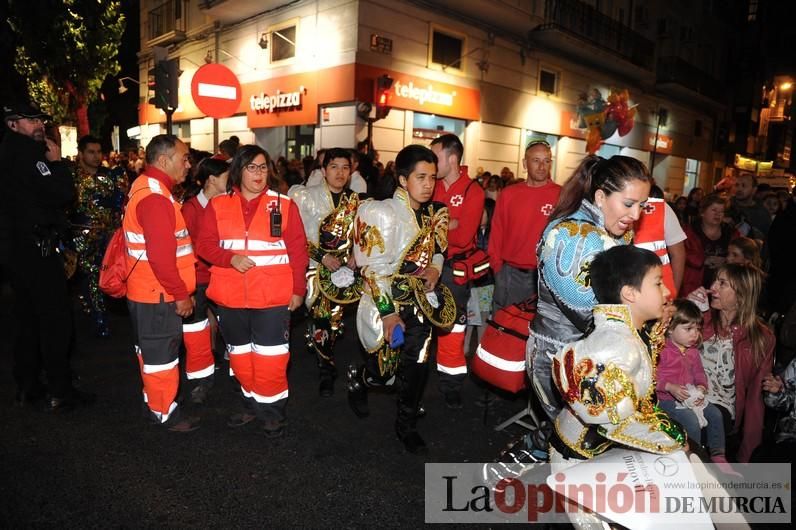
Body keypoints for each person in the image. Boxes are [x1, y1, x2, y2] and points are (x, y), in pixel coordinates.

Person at [549, 245, 684, 529]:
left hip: (600, 453)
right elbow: (611, 421)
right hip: (581, 463)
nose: (667, 291)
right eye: (658, 283)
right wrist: (673, 442)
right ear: (630, 294)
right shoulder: (616, 346)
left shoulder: (628, 332)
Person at [347, 144, 454, 454]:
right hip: (384, 304)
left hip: (420, 303)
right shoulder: (380, 213)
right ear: (403, 179)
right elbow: (372, 271)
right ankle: (361, 377)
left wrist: (435, 269)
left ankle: (406, 425)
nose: (428, 184)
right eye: (421, 177)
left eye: (433, 177)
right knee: (384, 373)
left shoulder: (435, 213)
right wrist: (388, 313)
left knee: (417, 367)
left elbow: (438, 249)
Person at [197, 145, 308, 438]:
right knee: (240, 356)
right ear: (238, 171)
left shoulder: (284, 205)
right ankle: (248, 404)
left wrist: (299, 289)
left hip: (272, 296)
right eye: (251, 167)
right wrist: (229, 258)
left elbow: (298, 251)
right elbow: (204, 245)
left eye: (263, 167)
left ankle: (271, 413)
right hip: (230, 296)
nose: (258, 174)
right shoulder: (218, 205)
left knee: (271, 358)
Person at [530, 155, 651, 421]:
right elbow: (590, 316)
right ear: (599, 197)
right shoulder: (572, 236)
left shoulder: (613, 230)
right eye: (629, 204)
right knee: (573, 442)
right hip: (560, 359)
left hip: (597, 357)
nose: (636, 215)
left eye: (642, 205)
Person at [0, 101, 95, 411]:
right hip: (36, 249)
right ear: (13, 124)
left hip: (17, 250)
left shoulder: (7, 152)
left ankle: (28, 386)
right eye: (30, 120)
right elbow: (62, 194)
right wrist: (56, 163)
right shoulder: (29, 153)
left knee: (26, 320)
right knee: (55, 320)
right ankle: (60, 389)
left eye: (39, 118)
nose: (38, 124)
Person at [123, 134, 198, 431]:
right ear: (164, 160)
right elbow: (162, 258)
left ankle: (154, 404)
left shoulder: (146, 187)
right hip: (159, 295)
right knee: (162, 358)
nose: (189, 165)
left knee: (151, 354)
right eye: (184, 158)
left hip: (146, 292)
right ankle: (164, 412)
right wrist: (181, 295)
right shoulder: (155, 198)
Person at [288, 148, 363, 397]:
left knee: (333, 320)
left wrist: (357, 254)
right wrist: (322, 257)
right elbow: (297, 235)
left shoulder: (356, 201)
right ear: (323, 170)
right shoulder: (306, 197)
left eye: (345, 167)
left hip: (343, 272)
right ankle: (326, 369)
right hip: (313, 268)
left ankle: (324, 353)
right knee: (322, 317)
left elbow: (362, 236)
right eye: (334, 167)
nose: (340, 173)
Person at [687, 263, 775, 462]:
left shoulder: (762, 338)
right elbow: (669, 353)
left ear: (741, 294)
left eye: (722, 283)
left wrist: (746, 458)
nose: (713, 287)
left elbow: (755, 399)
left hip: (720, 408)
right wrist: (689, 310)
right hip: (686, 394)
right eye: (715, 280)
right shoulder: (702, 320)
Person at [429, 133, 485, 408]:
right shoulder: (431, 184)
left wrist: (438, 225)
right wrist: (448, 223)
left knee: (452, 326)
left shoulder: (473, 190)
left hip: (453, 271)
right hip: (425, 265)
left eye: (435, 156)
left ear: (452, 159)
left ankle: (450, 384)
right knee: (420, 322)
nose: (430, 162)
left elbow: (463, 237)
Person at [656, 299, 734, 471]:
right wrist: (669, 387)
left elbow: (699, 373)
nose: (695, 334)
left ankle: (718, 454)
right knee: (691, 421)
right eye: (688, 329)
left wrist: (701, 387)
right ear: (670, 329)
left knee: (715, 414)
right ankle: (693, 457)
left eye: (697, 329)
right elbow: (652, 377)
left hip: (691, 397)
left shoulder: (692, 352)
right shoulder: (662, 350)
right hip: (667, 401)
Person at [489, 140, 561, 311]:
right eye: (536, 160)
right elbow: (497, 233)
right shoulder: (509, 194)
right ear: (524, 163)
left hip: (546, 278)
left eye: (546, 161)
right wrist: (497, 267)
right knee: (504, 327)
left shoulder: (562, 195)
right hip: (509, 274)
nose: (542, 166)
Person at [180, 157, 229, 404]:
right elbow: (183, 249)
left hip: (223, 277)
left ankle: (240, 375)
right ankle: (202, 382)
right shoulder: (189, 209)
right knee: (197, 333)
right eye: (226, 177)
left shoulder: (228, 205)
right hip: (198, 280)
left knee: (232, 325)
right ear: (211, 180)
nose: (231, 182)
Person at [71, 135, 123, 338]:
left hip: (109, 237)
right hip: (82, 238)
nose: (96, 156)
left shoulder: (111, 176)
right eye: (91, 152)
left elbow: (119, 205)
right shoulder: (72, 178)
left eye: (98, 151)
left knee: (109, 274)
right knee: (90, 277)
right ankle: (98, 318)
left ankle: (104, 313)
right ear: (81, 153)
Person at [681, 194, 738, 296]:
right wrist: (704, 260)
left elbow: (741, 255)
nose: (718, 214)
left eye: (721, 211)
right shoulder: (688, 231)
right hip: (693, 286)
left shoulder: (731, 233)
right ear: (702, 212)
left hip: (723, 288)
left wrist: (726, 261)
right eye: (714, 210)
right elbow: (680, 253)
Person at [729, 172, 770, 238]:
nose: (739, 189)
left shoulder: (762, 213)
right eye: (737, 185)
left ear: (754, 190)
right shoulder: (726, 206)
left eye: (744, 186)